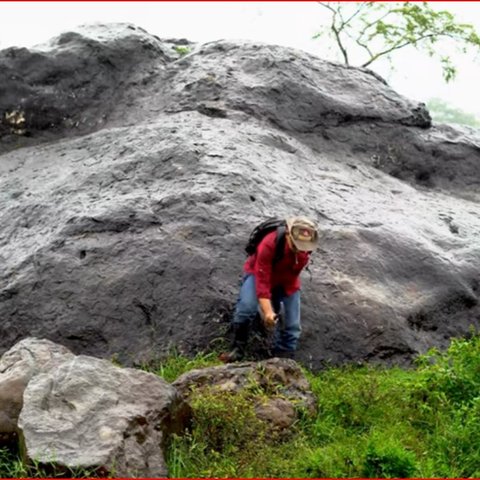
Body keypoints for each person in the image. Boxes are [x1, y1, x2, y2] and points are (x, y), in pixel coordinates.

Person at [220, 216, 319, 362]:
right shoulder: (269, 244)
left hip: (287, 280)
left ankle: (283, 362)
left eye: (304, 247)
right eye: (296, 246)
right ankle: (237, 350)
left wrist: (277, 305)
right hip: (258, 274)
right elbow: (262, 279)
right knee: (246, 310)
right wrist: (267, 311)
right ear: (288, 235)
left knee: (292, 327)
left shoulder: (305, 248)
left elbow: (293, 275)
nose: (300, 250)